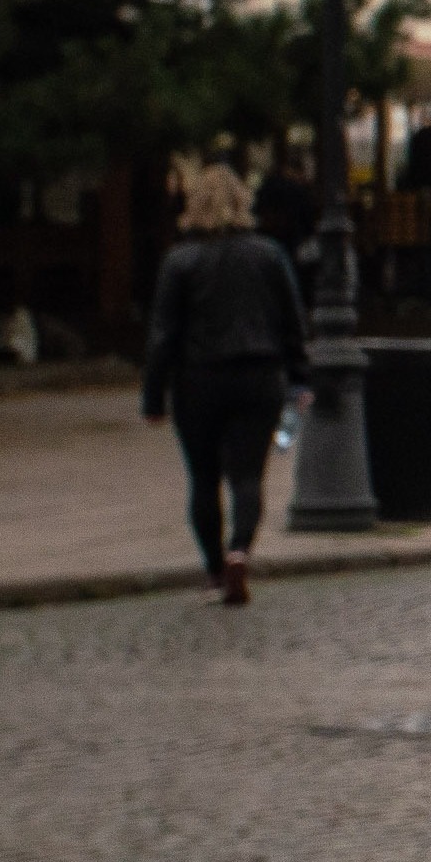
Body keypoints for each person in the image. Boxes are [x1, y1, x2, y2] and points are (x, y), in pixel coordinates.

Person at [143, 165, 308, 607]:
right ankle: (240, 550)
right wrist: (300, 378)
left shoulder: (180, 260)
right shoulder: (268, 254)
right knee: (248, 475)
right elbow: (292, 321)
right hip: (259, 376)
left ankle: (215, 568)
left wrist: (153, 396)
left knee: (203, 477)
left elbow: (163, 334)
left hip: (198, 379)